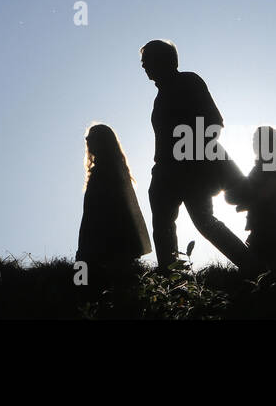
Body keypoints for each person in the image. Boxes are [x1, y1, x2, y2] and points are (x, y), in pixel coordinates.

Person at [140, 39, 252, 271]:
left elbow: (214, 122)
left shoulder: (188, 81)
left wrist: (191, 159)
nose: (143, 65)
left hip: (189, 169)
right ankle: (171, 280)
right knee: (164, 226)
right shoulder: (159, 98)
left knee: (204, 223)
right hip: (165, 172)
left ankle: (254, 267)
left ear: (162, 60)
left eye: (146, 60)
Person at [76, 123, 152, 272]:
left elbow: (94, 215)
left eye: (91, 138)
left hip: (109, 247)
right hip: (116, 247)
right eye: (87, 138)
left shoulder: (106, 172)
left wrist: (84, 250)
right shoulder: (115, 169)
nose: (87, 141)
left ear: (102, 141)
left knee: (93, 286)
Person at [228, 125, 276, 276]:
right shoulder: (263, 166)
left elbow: (267, 193)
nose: (253, 144)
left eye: (256, 140)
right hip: (264, 230)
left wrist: (246, 203)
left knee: (264, 280)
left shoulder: (275, 164)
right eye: (253, 140)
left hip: (274, 230)